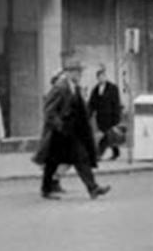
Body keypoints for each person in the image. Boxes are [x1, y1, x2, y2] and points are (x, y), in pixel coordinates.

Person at [35, 61, 109, 200]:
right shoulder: (60, 87)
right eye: (77, 72)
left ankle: (93, 188)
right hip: (59, 133)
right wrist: (60, 126)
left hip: (71, 133)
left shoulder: (74, 87)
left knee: (81, 158)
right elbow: (49, 111)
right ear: (68, 73)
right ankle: (46, 189)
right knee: (52, 161)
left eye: (80, 72)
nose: (80, 74)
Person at [87, 64, 124, 161]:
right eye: (99, 77)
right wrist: (88, 114)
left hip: (110, 116)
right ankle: (116, 152)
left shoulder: (112, 88)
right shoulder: (96, 89)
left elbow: (116, 103)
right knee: (109, 136)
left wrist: (117, 117)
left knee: (106, 136)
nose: (101, 78)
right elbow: (92, 103)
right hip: (101, 117)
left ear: (106, 77)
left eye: (103, 76)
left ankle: (98, 154)